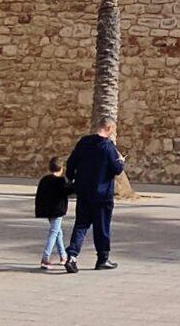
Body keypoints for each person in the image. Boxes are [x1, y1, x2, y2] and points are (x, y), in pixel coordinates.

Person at [63, 116, 126, 273]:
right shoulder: (108, 147)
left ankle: (72, 256)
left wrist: (72, 179)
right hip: (102, 195)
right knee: (102, 227)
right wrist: (121, 161)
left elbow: (71, 163)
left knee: (81, 225)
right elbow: (117, 169)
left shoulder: (84, 142)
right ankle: (102, 259)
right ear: (109, 128)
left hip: (84, 192)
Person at [34, 156, 72, 270]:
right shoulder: (60, 181)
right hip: (57, 210)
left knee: (58, 232)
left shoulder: (44, 180)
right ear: (61, 168)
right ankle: (45, 258)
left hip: (47, 210)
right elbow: (68, 191)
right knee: (54, 232)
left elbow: (39, 196)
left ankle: (63, 256)